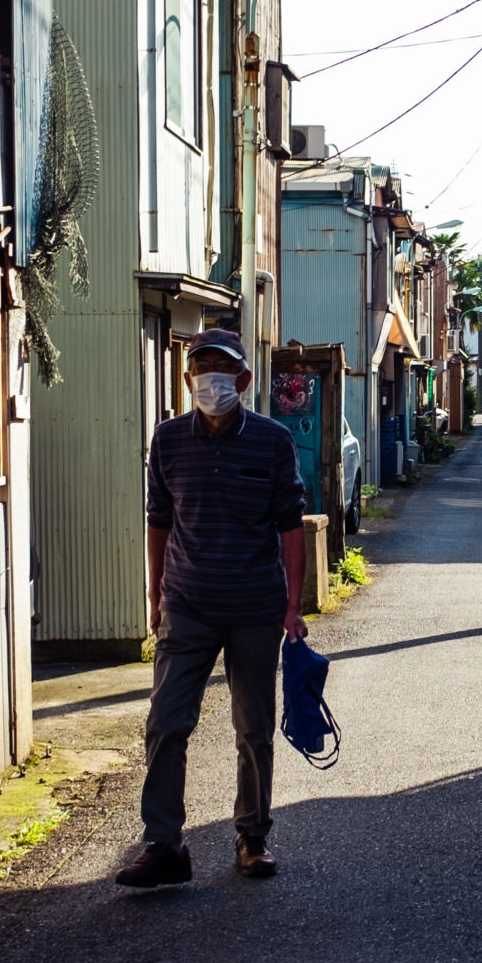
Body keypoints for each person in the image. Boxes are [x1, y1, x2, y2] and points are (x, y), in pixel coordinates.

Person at [117, 329, 308, 889]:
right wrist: (155, 595)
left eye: (221, 371)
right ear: (186, 379)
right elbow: (158, 520)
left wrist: (294, 605)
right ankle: (164, 844)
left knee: (253, 728)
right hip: (187, 604)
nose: (210, 380)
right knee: (166, 723)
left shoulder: (273, 442)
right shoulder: (168, 440)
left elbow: (290, 525)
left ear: (244, 381)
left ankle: (252, 836)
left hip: (254, 606)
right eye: (200, 369)